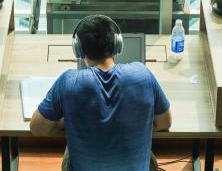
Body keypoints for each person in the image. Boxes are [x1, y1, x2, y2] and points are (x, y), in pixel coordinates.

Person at [30, 15, 172, 171]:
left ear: (78, 49)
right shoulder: (142, 74)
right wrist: (134, 123)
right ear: (118, 45)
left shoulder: (68, 82)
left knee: (71, 149)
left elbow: (37, 128)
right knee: (150, 158)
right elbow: (165, 122)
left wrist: (69, 121)